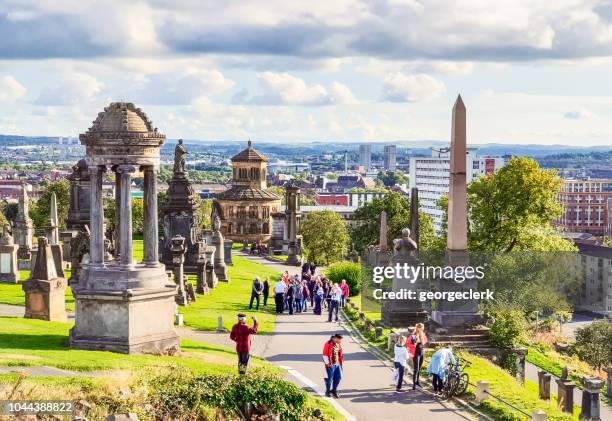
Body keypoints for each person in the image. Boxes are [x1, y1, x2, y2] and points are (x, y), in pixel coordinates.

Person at [322, 334, 344, 398]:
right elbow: (324, 355)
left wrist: (340, 364)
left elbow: (340, 354)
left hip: (337, 364)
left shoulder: (338, 344)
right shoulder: (328, 344)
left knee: (339, 377)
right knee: (330, 378)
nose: (341, 341)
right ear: (335, 338)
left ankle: (334, 390)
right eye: (340, 339)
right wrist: (328, 364)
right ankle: (327, 392)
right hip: (330, 364)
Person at [407, 322, 428, 390]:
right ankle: (414, 384)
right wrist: (414, 345)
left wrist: (422, 337)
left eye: (422, 328)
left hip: (421, 352)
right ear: (418, 328)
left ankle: (417, 382)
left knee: (419, 369)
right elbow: (408, 344)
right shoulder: (413, 335)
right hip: (415, 353)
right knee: (416, 369)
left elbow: (425, 342)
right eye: (421, 328)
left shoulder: (423, 334)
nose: (422, 329)